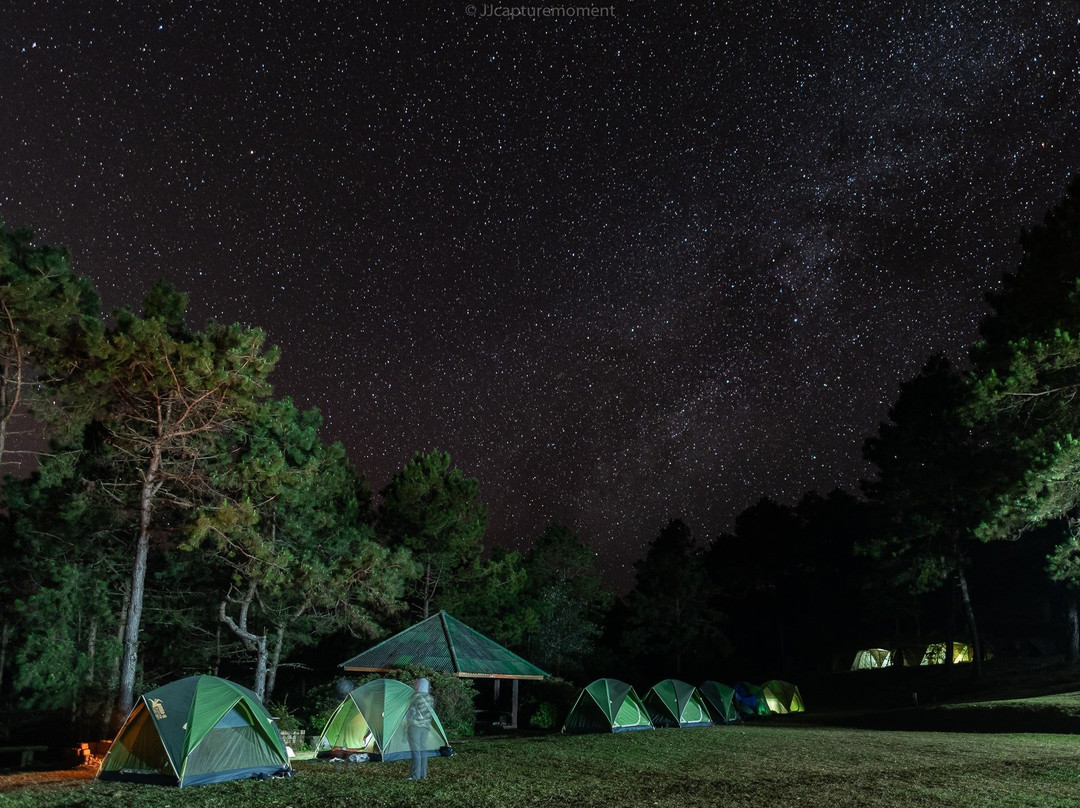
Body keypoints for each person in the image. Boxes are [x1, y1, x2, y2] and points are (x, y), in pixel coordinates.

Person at [405, 677, 435, 780]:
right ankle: (423, 774)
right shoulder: (430, 698)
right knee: (423, 750)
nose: (415, 686)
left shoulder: (415, 697)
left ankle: (415, 776)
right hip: (426, 727)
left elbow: (411, 713)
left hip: (415, 727)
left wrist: (406, 722)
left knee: (416, 751)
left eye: (416, 684)